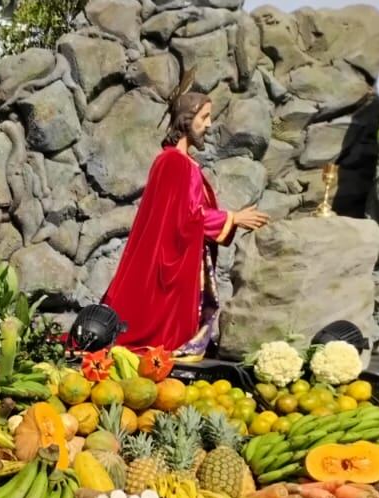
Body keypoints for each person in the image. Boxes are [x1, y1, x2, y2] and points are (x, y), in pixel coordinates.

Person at [102, 82, 269, 361]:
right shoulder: (175, 163)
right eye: (204, 117)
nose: (209, 124)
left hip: (180, 256)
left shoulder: (179, 162)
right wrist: (233, 218)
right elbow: (185, 218)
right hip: (170, 262)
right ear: (186, 119)